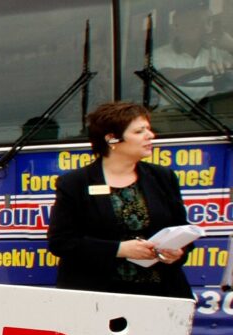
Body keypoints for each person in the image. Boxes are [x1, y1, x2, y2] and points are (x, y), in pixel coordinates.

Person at [47, 102, 192, 298]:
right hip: (98, 296)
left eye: (148, 129)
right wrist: (120, 249)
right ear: (112, 139)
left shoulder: (163, 177)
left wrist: (177, 252)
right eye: (139, 131)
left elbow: (181, 228)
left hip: (161, 293)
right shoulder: (75, 183)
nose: (150, 135)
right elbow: (62, 242)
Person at [154, 4, 233, 101]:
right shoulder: (159, 54)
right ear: (177, 27)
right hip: (174, 110)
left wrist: (231, 45)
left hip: (209, 110)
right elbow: (164, 75)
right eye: (197, 23)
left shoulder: (219, 53)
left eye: (209, 22)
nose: (207, 29)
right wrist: (205, 70)